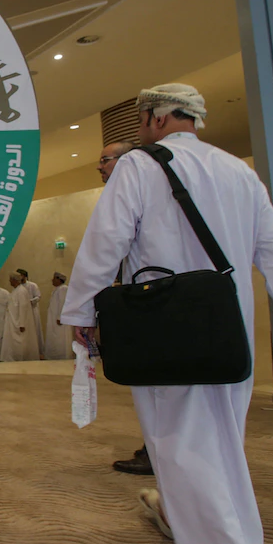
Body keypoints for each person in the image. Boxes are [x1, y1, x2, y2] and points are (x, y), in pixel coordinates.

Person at [61, 83, 273, 544]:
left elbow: (106, 241)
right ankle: (190, 523)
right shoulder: (239, 171)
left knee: (183, 449)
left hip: (166, 327)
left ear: (156, 118)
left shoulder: (139, 165)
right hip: (230, 331)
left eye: (142, 120)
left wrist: (82, 311)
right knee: (222, 447)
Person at [95, 140, 154, 475]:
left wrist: (83, 310)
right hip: (161, 300)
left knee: (158, 385)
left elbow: (104, 249)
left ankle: (157, 453)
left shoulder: (135, 192)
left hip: (156, 302)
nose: (100, 167)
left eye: (105, 160)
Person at [1, 272, 40, 362]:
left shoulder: (21, 291)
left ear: (15, 280)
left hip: (18, 322)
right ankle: (12, 357)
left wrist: (22, 323)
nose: (9, 281)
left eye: (11, 280)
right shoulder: (15, 290)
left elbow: (23, 308)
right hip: (12, 320)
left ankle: (20, 358)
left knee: (20, 342)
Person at [43, 273, 73, 360]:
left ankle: (62, 356)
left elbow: (62, 303)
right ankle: (54, 356)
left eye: (54, 278)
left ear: (59, 280)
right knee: (54, 338)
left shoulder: (63, 288)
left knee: (61, 338)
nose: (52, 280)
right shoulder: (57, 289)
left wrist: (60, 317)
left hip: (60, 320)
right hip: (54, 318)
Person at [16, 268, 43, 352]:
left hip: (32, 310)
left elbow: (38, 296)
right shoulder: (18, 287)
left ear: (24, 276)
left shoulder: (32, 285)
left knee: (34, 330)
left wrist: (29, 302)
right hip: (23, 313)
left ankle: (35, 350)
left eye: (19, 275)